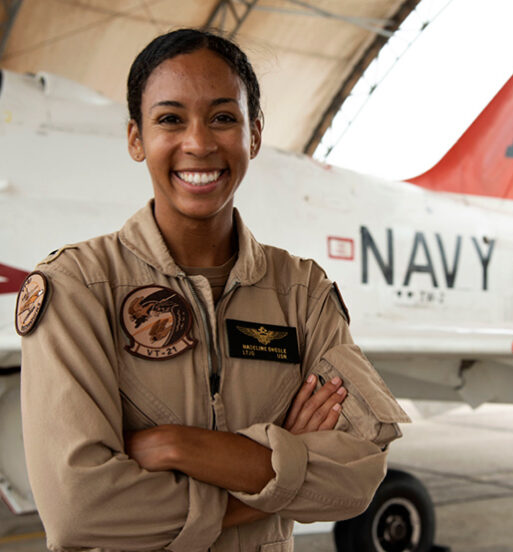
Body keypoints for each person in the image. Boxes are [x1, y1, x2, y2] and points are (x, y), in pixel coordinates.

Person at [18, 28, 409, 552]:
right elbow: (81, 509)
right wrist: (277, 475)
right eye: (170, 119)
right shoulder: (77, 289)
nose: (199, 143)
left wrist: (181, 446)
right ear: (136, 138)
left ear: (254, 134)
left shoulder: (301, 293)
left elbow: (357, 474)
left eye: (223, 117)